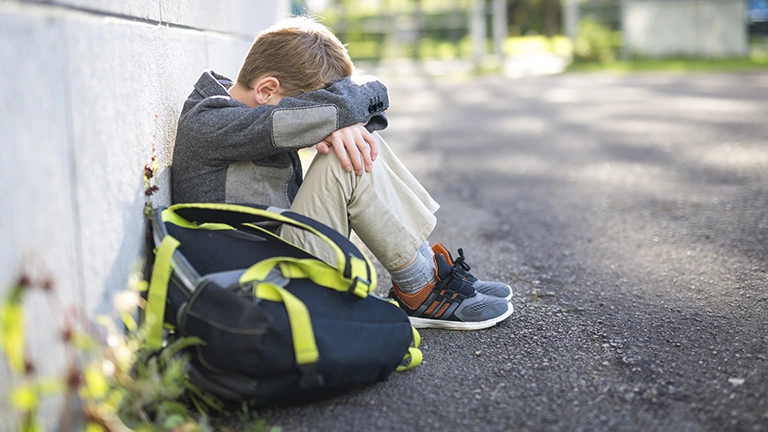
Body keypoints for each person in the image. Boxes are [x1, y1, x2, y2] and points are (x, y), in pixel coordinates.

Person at [171, 16, 513, 330]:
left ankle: (429, 274)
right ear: (266, 90)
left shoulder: (251, 103)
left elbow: (367, 97)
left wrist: (339, 121)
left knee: (355, 139)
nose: (313, 116)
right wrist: (336, 119)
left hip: (276, 251)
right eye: (307, 107)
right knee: (344, 157)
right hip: (256, 282)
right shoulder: (212, 123)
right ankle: (420, 290)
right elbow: (350, 105)